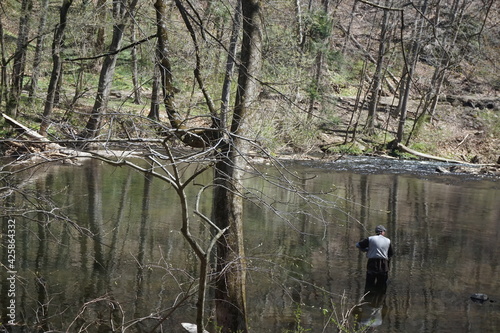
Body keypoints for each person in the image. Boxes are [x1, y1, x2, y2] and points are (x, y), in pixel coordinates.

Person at [356, 225, 393, 290]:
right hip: (383, 265)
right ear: (382, 232)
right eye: (384, 231)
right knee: (382, 286)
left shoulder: (370, 239)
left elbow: (358, 245)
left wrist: (366, 250)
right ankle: (380, 298)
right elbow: (390, 254)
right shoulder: (388, 241)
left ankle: (368, 297)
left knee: (369, 284)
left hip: (372, 263)